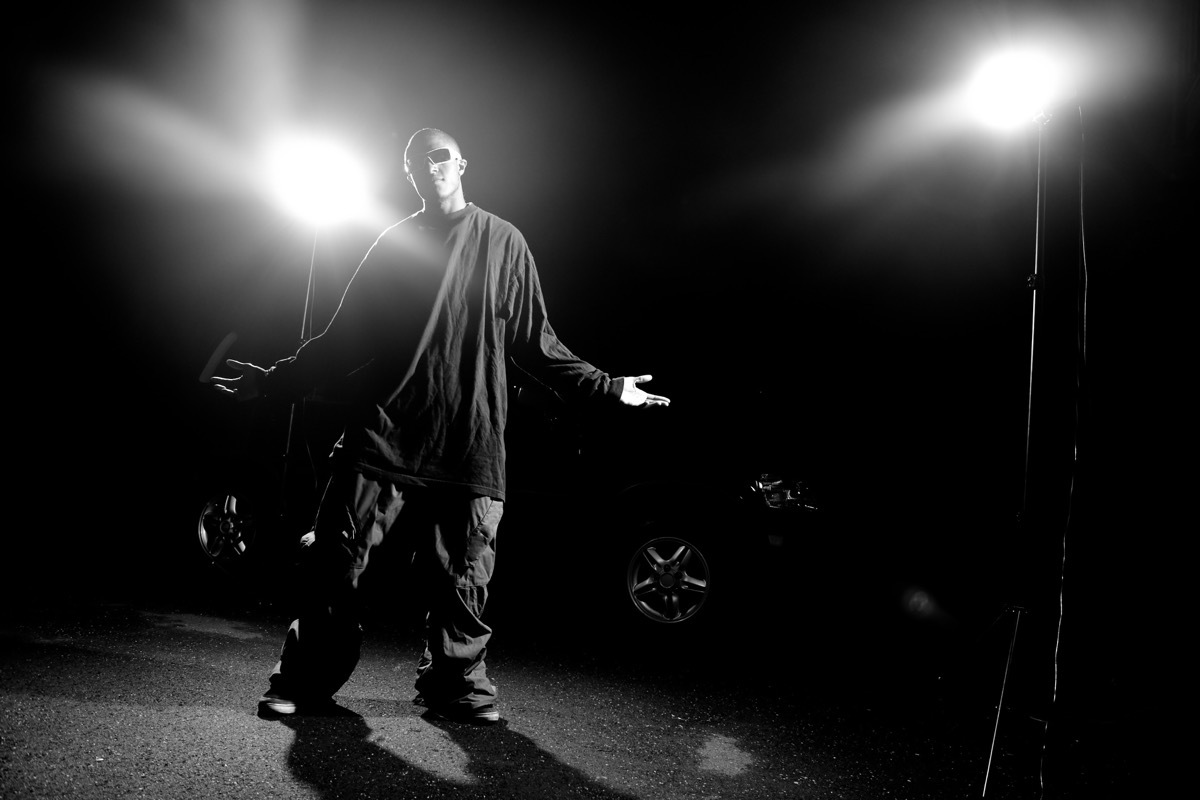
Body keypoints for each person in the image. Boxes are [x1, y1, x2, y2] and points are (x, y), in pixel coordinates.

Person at [211, 127, 669, 724]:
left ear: (460, 164)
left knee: (464, 580)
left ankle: (457, 688)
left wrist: (607, 385)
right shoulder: (393, 244)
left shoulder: (503, 241)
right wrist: (273, 379)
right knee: (334, 564)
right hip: (385, 435)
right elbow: (343, 338)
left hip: (469, 443)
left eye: (440, 155)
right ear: (408, 173)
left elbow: (536, 340)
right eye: (417, 159)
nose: (430, 165)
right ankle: (305, 680)